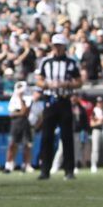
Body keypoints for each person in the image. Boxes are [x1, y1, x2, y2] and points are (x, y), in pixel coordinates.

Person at [35, 34, 80, 181]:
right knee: (46, 136)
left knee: (67, 137)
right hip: (50, 101)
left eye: (59, 45)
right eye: (55, 45)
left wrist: (67, 84)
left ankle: (69, 170)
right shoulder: (46, 62)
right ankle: (44, 170)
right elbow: (39, 81)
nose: (57, 48)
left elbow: (79, 82)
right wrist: (48, 85)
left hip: (64, 100)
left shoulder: (71, 62)